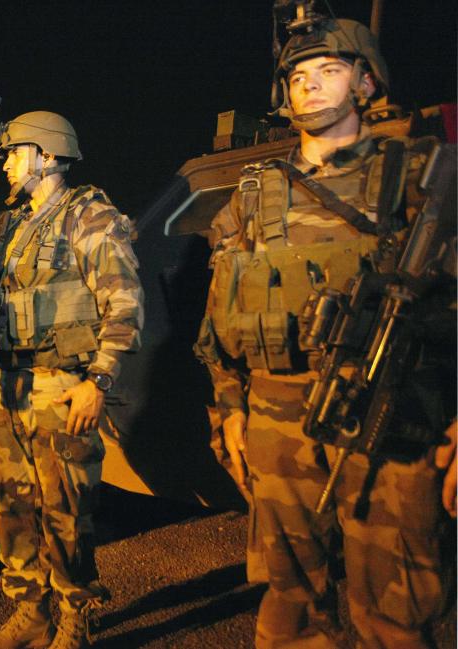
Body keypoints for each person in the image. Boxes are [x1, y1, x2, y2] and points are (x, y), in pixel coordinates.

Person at [193, 16, 455, 648]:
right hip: (279, 428)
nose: (310, 87)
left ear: (365, 82)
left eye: (329, 71)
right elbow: (218, 326)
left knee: (394, 618)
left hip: (391, 422)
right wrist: (230, 410)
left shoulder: (422, 182)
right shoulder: (252, 200)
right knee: (289, 607)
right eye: (299, 77)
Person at [0, 111, 144, 649]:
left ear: (46, 155)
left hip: (61, 385)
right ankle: (31, 610)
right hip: (8, 384)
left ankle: (76, 613)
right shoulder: (10, 226)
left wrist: (99, 380)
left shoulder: (91, 219)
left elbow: (126, 304)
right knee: (12, 507)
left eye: (14, 152)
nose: (5, 163)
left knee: (65, 510)